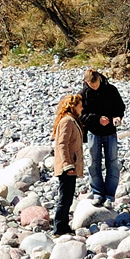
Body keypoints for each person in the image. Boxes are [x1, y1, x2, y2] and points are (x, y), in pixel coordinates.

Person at [80, 68, 126, 207]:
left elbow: (120, 107)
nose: (95, 87)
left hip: (110, 132)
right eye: (92, 85)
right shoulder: (83, 94)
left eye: (97, 84)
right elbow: (81, 115)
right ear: (86, 82)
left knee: (112, 163)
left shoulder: (111, 90)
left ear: (100, 78)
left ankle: (110, 195)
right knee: (93, 163)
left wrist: (117, 117)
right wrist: (97, 119)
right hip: (93, 133)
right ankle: (98, 193)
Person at [52, 93, 85, 235]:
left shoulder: (72, 120)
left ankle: (63, 226)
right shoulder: (67, 121)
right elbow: (62, 144)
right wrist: (67, 165)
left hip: (71, 165)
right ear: (73, 106)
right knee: (64, 198)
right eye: (80, 105)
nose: (82, 108)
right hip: (67, 167)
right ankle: (59, 228)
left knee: (68, 197)